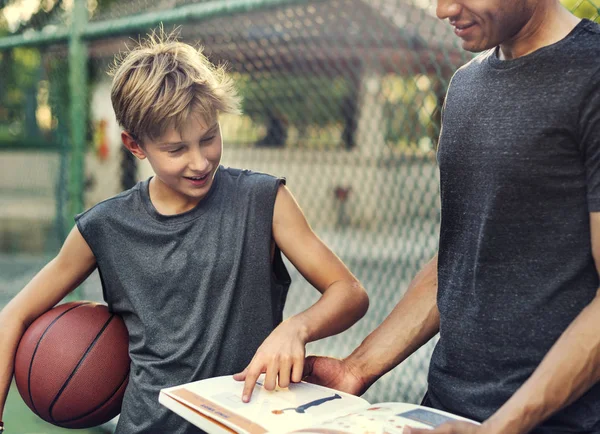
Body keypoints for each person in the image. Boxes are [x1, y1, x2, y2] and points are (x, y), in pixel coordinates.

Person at [0, 31, 369, 434]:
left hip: (247, 423)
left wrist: (295, 328)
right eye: (176, 150)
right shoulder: (105, 227)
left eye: (209, 138)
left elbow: (349, 293)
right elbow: (14, 315)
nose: (199, 161)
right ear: (135, 145)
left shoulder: (264, 199)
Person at [302, 1, 600, 433]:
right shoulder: (465, 86)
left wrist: (500, 428)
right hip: (443, 411)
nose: (443, 9)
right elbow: (457, 259)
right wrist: (356, 369)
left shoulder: (592, 75)